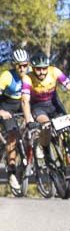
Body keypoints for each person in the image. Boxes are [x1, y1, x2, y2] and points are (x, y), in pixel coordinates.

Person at [26, 52, 70, 161]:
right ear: (33, 68)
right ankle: (43, 146)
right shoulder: (27, 78)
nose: (41, 72)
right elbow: (25, 100)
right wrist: (29, 119)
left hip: (54, 104)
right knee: (46, 125)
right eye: (38, 69)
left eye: (44, 69)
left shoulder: (55, 71)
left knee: (69, 128)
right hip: (38, 107)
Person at [0, 48, 34, 191]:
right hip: (6, 107)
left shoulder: (31, 74)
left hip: (22, 104)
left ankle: (34, 152)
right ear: (14, 65)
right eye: (19, 65)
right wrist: (1, 112)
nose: (22, 68)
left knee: (34, 124)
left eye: (25, 65)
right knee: (13, 135)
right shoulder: (7, 76)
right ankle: (12, 170)